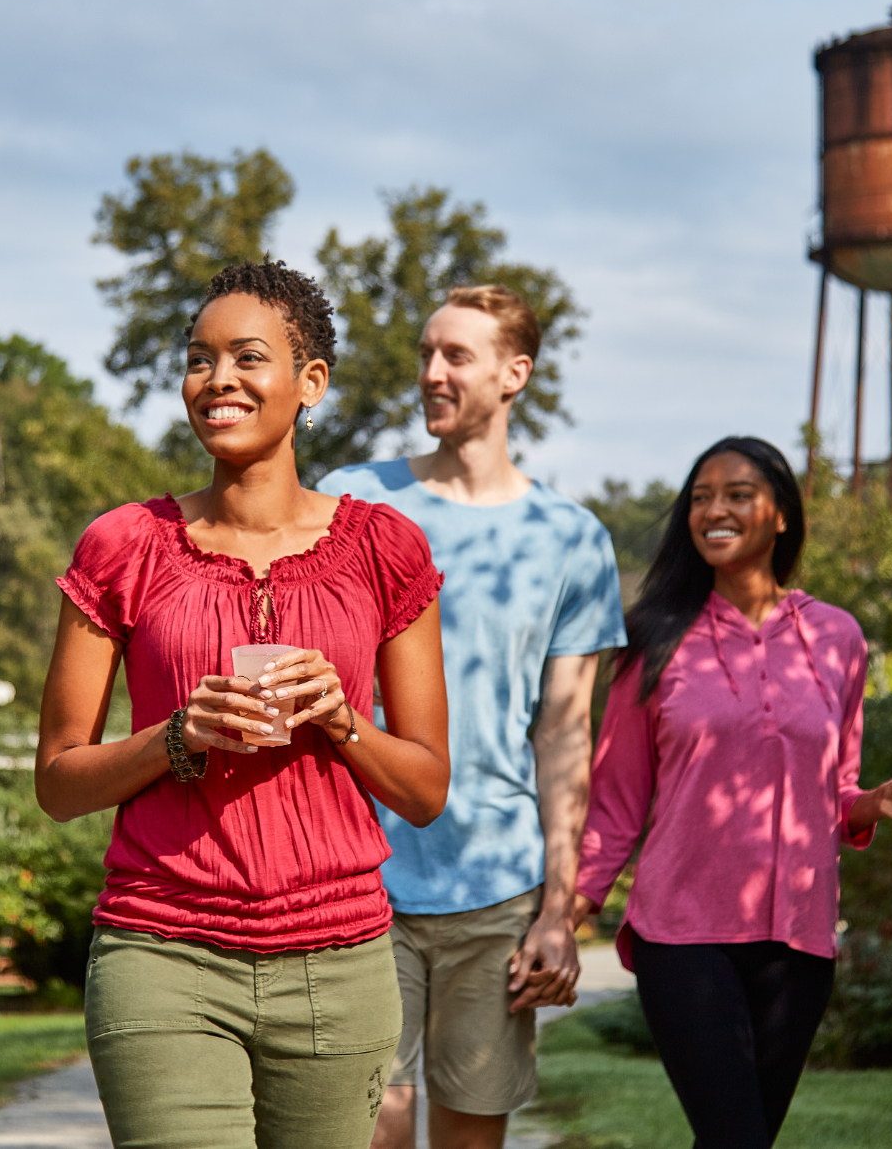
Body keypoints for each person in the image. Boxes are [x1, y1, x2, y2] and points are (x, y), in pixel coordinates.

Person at [35, 260, 452, 1149]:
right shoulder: (123, 546)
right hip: (162, 956)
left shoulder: (386, 549)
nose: (217, 379)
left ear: (310, 384)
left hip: (339, 965)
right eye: (198, 358)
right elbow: (61, 784)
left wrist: (342, 722)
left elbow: (424, 789)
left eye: (246, 357)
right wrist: (177, 737)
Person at [572, 437, 892, 1149]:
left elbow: (834, 787)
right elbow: (617, 799)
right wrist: (568, 910)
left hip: (800, 938)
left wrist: (877, 803)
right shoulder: (653, 638)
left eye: (737, 495)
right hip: (684, 933)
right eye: (700, 498)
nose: (714, 511)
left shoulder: (838, 637)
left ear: (781, 514)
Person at [318, 285, 627, 1149]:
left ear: (513, 374)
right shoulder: (354, 502)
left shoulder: (572, 539)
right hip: (359, 875)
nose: (431, 373)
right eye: (426, 354)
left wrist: (558, 913)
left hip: (496, 888)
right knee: (364, 1130)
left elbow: (565, 734)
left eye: (455, 356)